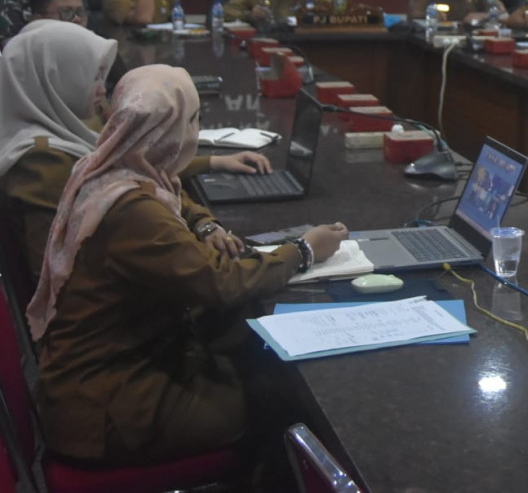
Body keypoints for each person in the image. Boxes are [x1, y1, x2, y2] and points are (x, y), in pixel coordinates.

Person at [27, 65, 348, 466]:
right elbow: (220, 282)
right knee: (281, 400)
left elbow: (171, 194)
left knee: (253, 360)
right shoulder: (133, 211)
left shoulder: (111, 170)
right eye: (193, 120)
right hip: (108, 408)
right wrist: (304, 250)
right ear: (165, 130)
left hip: (100, 377)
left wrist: (203, 222)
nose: (196, 130)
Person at [0, 21, 272, 280]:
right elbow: (54, 273)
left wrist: (203, 216)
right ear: (56, 77)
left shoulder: (65, 128)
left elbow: (135, 165)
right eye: (92, 76)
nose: (100, 90)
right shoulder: (41, 161)